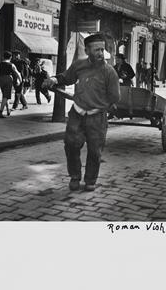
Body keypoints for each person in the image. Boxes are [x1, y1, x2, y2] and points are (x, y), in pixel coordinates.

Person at [42, 32, 120, 192]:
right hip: (76, 115)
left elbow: (115, 97)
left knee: (94, 151)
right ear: (87, 50)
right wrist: (54, 79)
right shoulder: (78, 65)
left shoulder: (109, 72)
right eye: (96, 50)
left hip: (97, 117)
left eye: (102, 50)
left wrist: (101, 104)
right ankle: (75, 177)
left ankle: (90, 180)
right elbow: (66, 77)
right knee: (70, 145)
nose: (100, 53)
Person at [0, 51, 22, 118]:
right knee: (6, 96)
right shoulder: (11, 65)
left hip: (1, 78)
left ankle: (8, 111)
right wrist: (20, 80)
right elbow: (17, 73)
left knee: (5, 95)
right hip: (8, 79)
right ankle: (0, 112)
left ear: (3, 57)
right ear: (10, 57)